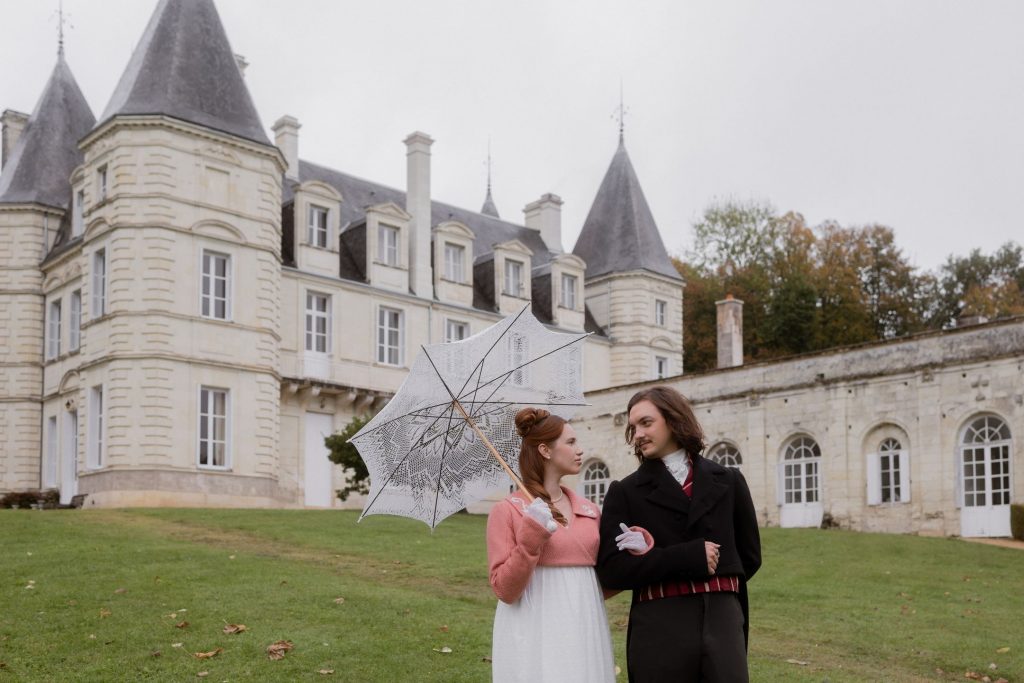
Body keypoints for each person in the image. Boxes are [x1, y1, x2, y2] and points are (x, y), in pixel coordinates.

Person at [596, 386, 762, 682]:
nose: (638, 434)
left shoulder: (730, 481)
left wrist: (716, 592)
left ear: (674, 419)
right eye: (633, 427)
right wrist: (686, 558)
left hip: (723, 618)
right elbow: (612, 572)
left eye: (646, 423)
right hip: (660, 621)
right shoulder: (625, 492)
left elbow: (749, 557)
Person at [486, 407, 651, 682]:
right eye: (571, 442)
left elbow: (599, 583)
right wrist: (530, 540)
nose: (580, 450)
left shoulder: (589, 510)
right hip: (533, 627)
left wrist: (634, 553)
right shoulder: (508, 511)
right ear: (545, 450)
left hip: (585, 623)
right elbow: (505, 590)